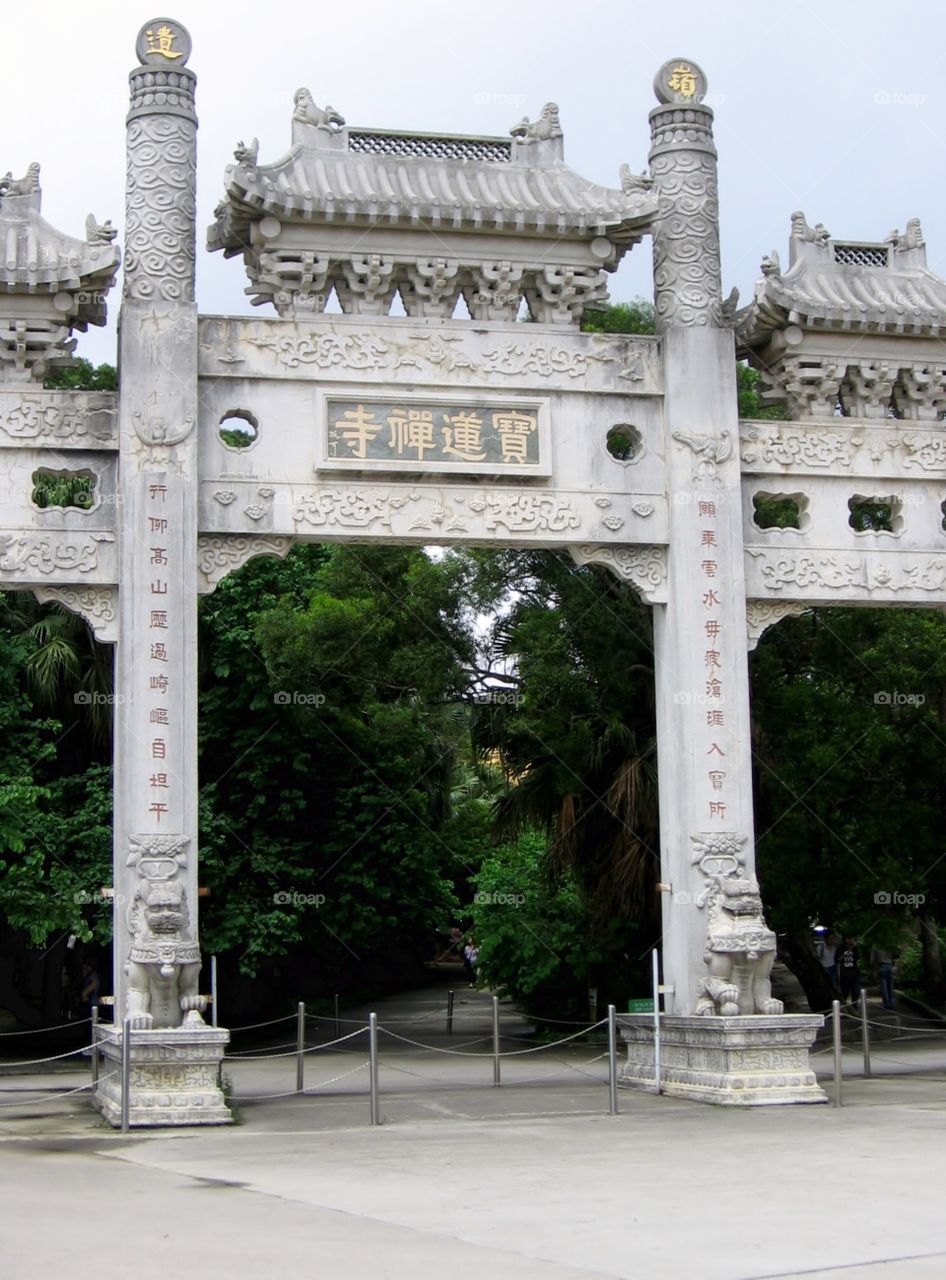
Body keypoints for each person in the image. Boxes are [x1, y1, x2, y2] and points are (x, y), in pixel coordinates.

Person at [836, 935, 860, 1008]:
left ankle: (855, 1007)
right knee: (845, 992)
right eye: (849, 938)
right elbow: (838, 960)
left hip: (854, 973)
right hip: (844, 973)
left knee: (855, 992)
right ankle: (844, 1007)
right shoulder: (840, 949)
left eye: (851, 938)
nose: (850, 940)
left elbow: (858, 959)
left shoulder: (854, 948)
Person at [871, 944, 895, 1010]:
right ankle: (891, 1002)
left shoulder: (875, 945)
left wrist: (874, 967)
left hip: (882, 966)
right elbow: (895, 954)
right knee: (890, 986)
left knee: (884, 986)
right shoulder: (889, 943)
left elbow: (872, 959)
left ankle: (887, 1003)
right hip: (890, 965)